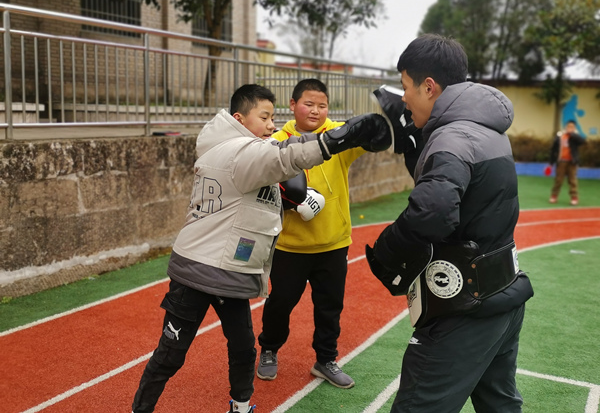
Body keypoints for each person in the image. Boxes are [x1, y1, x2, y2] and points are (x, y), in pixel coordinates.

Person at [131, 84, 391, 413]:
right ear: (239, 119)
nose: (272, 126)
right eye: (265, 117)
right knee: (171, 354)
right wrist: (330, 142)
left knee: (243, 350)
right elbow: (284, 156)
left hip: (231, 273)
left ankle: (240, 408)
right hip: (198, 271)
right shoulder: (237, 153)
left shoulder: (246, 150)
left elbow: (279, 157)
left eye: (273, 117)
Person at [365, 34, 534, 413]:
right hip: (502, 296)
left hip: (463, 310)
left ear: (429, 86)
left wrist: (385, 256)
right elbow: (465, 198)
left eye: (407, 87)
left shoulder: (453, 138)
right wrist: (416, 145)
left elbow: (433, 213)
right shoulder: (486, 129)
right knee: (500, 406)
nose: (403, 97)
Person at [257, 78, 377, 389]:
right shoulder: (278, 140)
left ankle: (325, 359)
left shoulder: (336, 136)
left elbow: (366, 136)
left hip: (333, 243)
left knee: (330, 307)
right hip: (290, 246)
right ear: (293, 105)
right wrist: (289, 200)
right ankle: (269, 349)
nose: (315, 110)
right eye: (308, 104)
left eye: (322, 105)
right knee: (280, 303)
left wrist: (376, 126)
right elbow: (263, 184)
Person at [548, 120, 586, 205]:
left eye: (572, 127)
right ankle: (554, 196)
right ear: (566, 127)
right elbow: (553, 149)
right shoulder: (560, 136)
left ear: (574, 128)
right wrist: (551, 162)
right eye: (569, 126)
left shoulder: (575, 137)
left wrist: (572, 134)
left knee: (572, 180)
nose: (570, 128)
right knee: (558, 180)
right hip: (561, 161)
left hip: (572, 162)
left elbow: (582, 142)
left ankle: (574, 197)